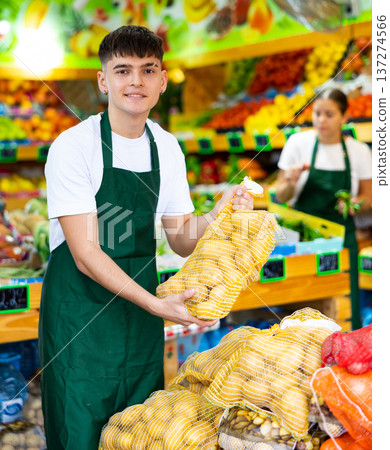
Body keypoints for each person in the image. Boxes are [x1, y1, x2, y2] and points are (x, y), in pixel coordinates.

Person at [38, 25, 253, 450]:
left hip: (138, 328)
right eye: (122, 70)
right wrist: (157, 304)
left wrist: (216, 213)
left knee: (140, 437)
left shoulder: (167, 147)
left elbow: (181, 238)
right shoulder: (73, 147)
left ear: (162, 81)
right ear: (103, 81)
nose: (135, 81)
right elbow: (84, 253)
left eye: (147, 70)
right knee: (79, 433)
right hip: (80, 321)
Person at [275, 88, 372, 330]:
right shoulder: (298, 144)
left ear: (344, 117)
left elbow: (369, 198)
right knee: (300, 315)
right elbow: (280, 195)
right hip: (302, 242)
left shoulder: (359, 151)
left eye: (329, 114)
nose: (321, 120)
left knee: (343, 312)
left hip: (342, 241)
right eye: (317, 113)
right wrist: (290, 181)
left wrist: (355, 203)